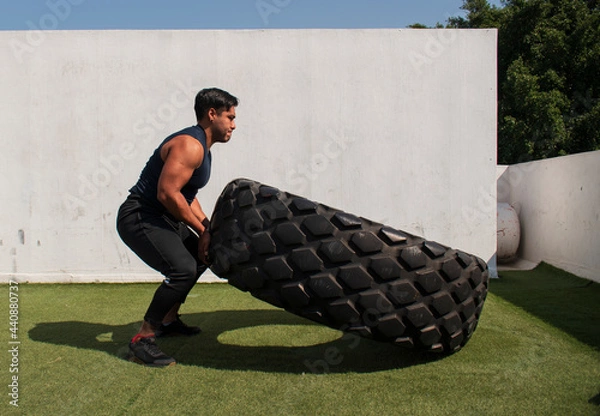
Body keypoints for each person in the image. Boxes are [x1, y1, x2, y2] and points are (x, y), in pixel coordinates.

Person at [116, 87, 238, 367]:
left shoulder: (204, 150)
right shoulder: (190, 145)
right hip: (140, 215)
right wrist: (203, 231)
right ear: (211, 114)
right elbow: (167, 194)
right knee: (182, 268)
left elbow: (187, 198)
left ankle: (168, 320)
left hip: (162, 216)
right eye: (229, 117)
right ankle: (143, 340)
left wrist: (208, 228)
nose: (233, 124)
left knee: (200, 256)